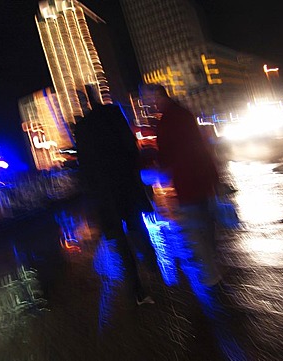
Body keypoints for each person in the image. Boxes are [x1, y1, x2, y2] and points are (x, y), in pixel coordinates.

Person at [74, 85, 159, 305]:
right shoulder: (113, 114)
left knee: (121, 241)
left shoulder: (82, 128)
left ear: (83, 102)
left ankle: (137, 289)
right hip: (125, 184)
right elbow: (131, 147)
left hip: (105, 194)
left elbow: (84, 168)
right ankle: (152, 264)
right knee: (136, 227)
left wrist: (92, 194)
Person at [151, 84, 222, 287]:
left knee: (195, 227)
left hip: (187, 180)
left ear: (159, 96)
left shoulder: (166, 121)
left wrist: (160, 167)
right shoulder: (184, 113)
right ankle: (212, 263)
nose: (150, 103)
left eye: (150, 97)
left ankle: (210, 272)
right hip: (202, 176)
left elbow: (165, 153)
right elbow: (199, 144)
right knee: (206, 224)